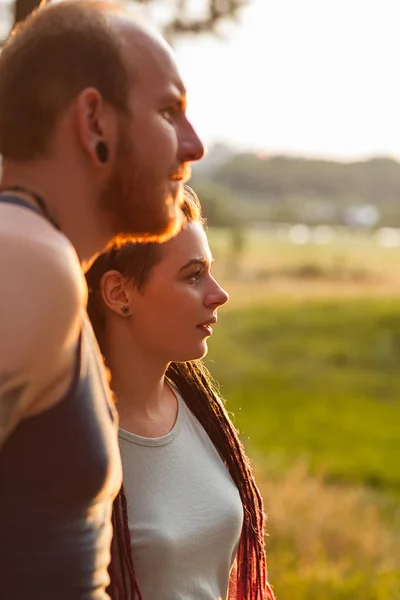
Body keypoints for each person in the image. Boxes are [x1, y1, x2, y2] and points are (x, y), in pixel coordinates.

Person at [0, 1, 203, 597]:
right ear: (94, 123)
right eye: (170, 111)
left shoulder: (36, 255)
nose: (194, 146)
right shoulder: (29, 258)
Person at [86, 188, 275, 600]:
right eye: (193, 275)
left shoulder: (198, 410)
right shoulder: (67, 444)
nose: (218, 293)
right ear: (119, 294)